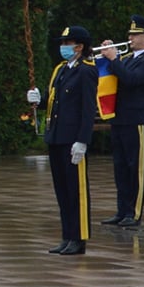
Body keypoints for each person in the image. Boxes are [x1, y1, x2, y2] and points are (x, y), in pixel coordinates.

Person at [42, 26, 99, 254]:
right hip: (56, 136)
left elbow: (87, 109)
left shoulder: (86, 71)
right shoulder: (61, 69)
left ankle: (79, 237)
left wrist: (82, 140)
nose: (64, 47)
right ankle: (67, 235)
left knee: (76, 192)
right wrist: (38, 96)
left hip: (73, 139)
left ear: (80, 46)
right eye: (63, 43)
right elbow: (54, 100)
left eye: (68, 43)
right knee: (62, 190)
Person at [101, 15, 144, 228]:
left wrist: (114, 59)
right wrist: (107, 56)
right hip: (119, 118)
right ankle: (121, 210)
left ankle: (134, 213)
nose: (130, 38)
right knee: (120, 168)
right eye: (129, 34)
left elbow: (131, 80)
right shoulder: (126, 59)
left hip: (135, 120)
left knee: (135, 168)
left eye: (135, 35)